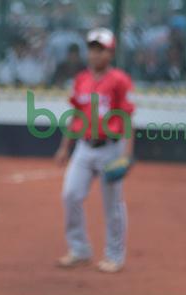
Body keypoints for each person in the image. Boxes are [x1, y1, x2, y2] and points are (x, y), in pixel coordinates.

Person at [54, 28, 135, 274]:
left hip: (110, 148)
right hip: (84, 147)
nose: (95, 54)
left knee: (112, 205)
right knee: (70, 195)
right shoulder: (81, 79)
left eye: (100, 50)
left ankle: (114, 256)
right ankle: (79, 250)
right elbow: (76, 114)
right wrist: (64, 147)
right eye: (92, 49)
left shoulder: (120, 80)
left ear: (110, 53)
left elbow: (128, 117)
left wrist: (126, 155)